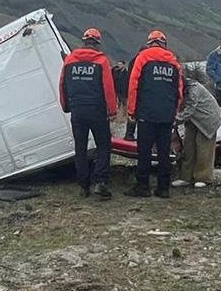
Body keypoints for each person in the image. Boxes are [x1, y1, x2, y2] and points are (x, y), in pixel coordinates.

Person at [59, 28, 118, 199]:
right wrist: (112, 111)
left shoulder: (69, 60)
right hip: (97, 110)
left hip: (77, 111)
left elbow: (63, 84)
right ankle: (100, 183)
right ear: (98, 43)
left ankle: (83, 186)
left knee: (80, 148)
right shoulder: (101, 61)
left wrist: (66, 106)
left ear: (84, 41)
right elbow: (108, 87)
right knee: (104, 146)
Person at [127, 30, 184, 198]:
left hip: (146, 114)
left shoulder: (143, 58)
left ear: (150, 42)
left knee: (144, 151)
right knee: (164, 152)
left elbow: (133, 86)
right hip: (166, 115)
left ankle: (143, 187)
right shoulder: (174, 62)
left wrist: (131, 111)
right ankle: (163, 188)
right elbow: (179, 91)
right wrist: (174, 112)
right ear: (164, 44)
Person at [175, 79, 221, 188]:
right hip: (194, 119)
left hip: (208, 118)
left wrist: (176, 119)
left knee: (203, 148)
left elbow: (191, 108)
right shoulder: (180, 89)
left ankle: (203, 178)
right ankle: (186, 177)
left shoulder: (193, 89)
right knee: (188, 146)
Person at [123, 46, 146, 140]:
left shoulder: (133, 61)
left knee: (132, 114)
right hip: (142, 92)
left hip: (133, 90)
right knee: (140, 115)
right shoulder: (143, 61)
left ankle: (129, 134)